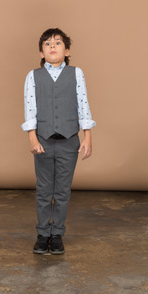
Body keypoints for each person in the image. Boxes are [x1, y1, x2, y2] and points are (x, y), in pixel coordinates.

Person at [21, 28, 96, 255]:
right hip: (43, 141)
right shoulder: (33, 76)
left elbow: (83, 105)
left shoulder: (76, 74)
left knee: (62, 191)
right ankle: (43, 234)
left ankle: (57, 234)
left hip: (68, 141)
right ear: (42, 53)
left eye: (57, 43)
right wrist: (32, 137)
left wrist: (87, 136)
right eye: (47, 44)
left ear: (67, 50)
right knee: (44, 190)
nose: (52, 46)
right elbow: (30, 109)